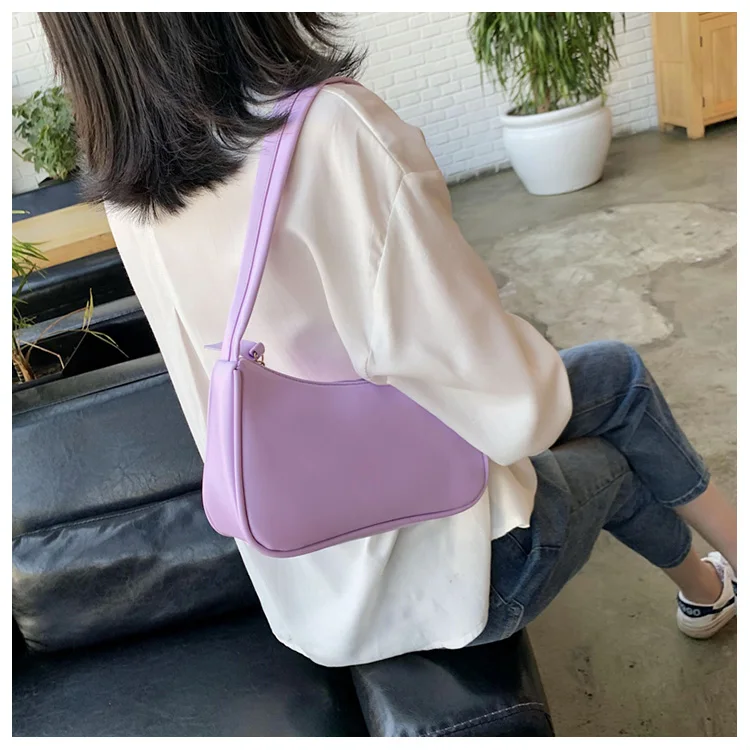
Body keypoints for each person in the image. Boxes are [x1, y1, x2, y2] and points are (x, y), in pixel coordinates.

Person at [40, 12, 737, 667]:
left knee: (605, 381)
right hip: (460, 578)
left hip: (307, 595)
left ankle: (708, 590)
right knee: (616, 417)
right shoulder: (327, 130)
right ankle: (709, 587)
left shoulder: (126, 192)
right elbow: (515, 408)